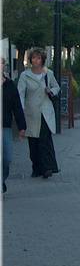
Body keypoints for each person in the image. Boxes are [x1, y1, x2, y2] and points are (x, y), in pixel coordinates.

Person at [17, 48, 60, 178]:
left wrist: (51, 91)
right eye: (34, 58)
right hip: (31, 113)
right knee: (33, 142)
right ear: (30, 60)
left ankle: (47, 168)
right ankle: (36, 168)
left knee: (44, 140)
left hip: (45, 112)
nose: (36, 60)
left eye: (39, 58)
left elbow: (57, 87)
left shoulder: (48, 74)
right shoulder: (25, 75)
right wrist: (21, 110)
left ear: (42, 60)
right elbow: (20, 93)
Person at [2, 57, 27, 193]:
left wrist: (22, 127)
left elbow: (17, 107)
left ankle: (2, 179)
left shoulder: (10, 86)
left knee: (7, 158)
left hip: (5, 127)